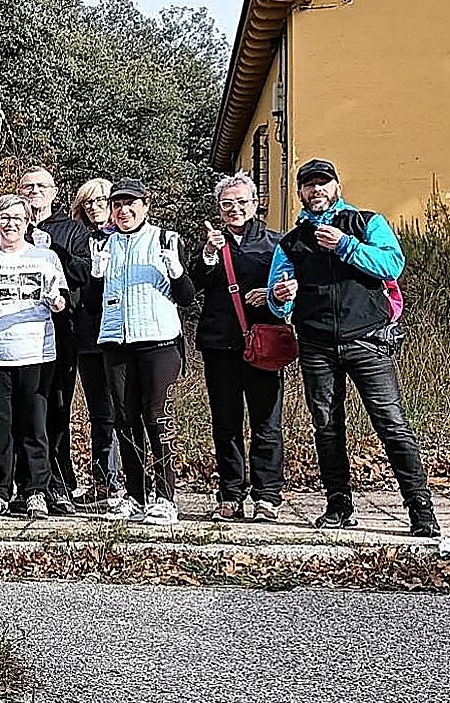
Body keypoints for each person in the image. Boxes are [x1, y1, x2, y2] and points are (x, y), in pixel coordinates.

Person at [268, 159, 440, 537]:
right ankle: (338, 505)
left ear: (337, 186)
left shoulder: (365, 223)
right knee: (326, 426)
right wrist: (280, 297)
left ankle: (420, 508)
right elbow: (276, 296)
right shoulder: (292, 241)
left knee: (391, 424)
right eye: (309, 185)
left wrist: (346, 246)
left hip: (367, 340)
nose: (317, 191)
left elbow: (392, 264)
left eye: (323, 183)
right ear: (299, 193)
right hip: (316, 345)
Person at [91, 179, 195, 525]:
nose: (124, 210)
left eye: (131, 203)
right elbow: (92, 305)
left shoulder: (165, 238)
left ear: (145, 205)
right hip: (115, 344)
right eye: (117, 204)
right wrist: (96, 274)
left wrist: (176, 271)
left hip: (158, 342)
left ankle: (166, 498)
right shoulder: (103, 244)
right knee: (125, 420)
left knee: (158, 419)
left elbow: (187, 296)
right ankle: (135, 495)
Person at [0, 194, 69, 519]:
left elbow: (63, 300)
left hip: (36, 351)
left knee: (34, 424)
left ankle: (35, 490)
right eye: (4, 218)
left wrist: (55, 302)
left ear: (27, 223)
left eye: (17, 218)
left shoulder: (45, 257)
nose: (10, 224)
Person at [190, 172, 285, 522]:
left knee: (266, 421)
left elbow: (292, 288)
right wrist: (209, 254)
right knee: (225, 422)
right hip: (220, 344)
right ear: (218, 208)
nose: (235, 209)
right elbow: (191, 286)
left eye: (242, 203)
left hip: (263, 343)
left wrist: (273, 295)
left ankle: (267, 495)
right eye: (227, 204)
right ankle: (230, 493)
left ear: (255, 203)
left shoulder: (276, 244)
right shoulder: (212, 244)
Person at [17, 166, 92, 502]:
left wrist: (52, 253)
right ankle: (26, 484)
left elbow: (83, 272)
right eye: (27, 186)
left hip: (63, 330)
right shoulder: (11, 228)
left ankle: (59, 481)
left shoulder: (73, 230)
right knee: (24, 410)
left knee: (57, 406)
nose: (34, 191)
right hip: (19, 334)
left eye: (41, 186)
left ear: (54, 192)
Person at [69, 178, 123, 508]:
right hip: (90, 337)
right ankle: (104, 482)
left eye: (101, 200)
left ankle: (136, 480)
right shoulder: (81, 242)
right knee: (101, 413)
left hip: (126, 336)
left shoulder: (131, 238)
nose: (95, 207)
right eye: (88, 203)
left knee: (128, 410)